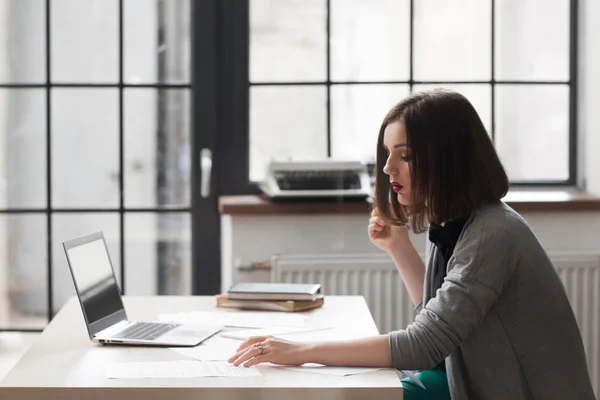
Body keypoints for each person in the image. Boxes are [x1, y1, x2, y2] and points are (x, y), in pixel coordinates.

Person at [227, 89, 595, 400]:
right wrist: (398, 245)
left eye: (405, 156)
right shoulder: (453, 221)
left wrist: (299, 352)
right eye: (387, 154)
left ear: (448, 161)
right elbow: (437, 318)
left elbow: (425, 343)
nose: (388, 169)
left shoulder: (492, 233)